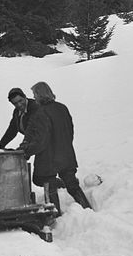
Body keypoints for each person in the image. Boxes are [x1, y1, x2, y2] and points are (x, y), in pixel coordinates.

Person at [17, 82, 91, 214]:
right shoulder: (62, 108)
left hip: (49, 158)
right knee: (73, 185)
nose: (33, 97)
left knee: (48, 185)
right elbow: (70, 131)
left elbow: (41, 140)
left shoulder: (41, 113)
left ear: (40, 95)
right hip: (66, 153)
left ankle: (55, 216)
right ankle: (88, 209)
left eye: (34, 94)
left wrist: (26, 150)